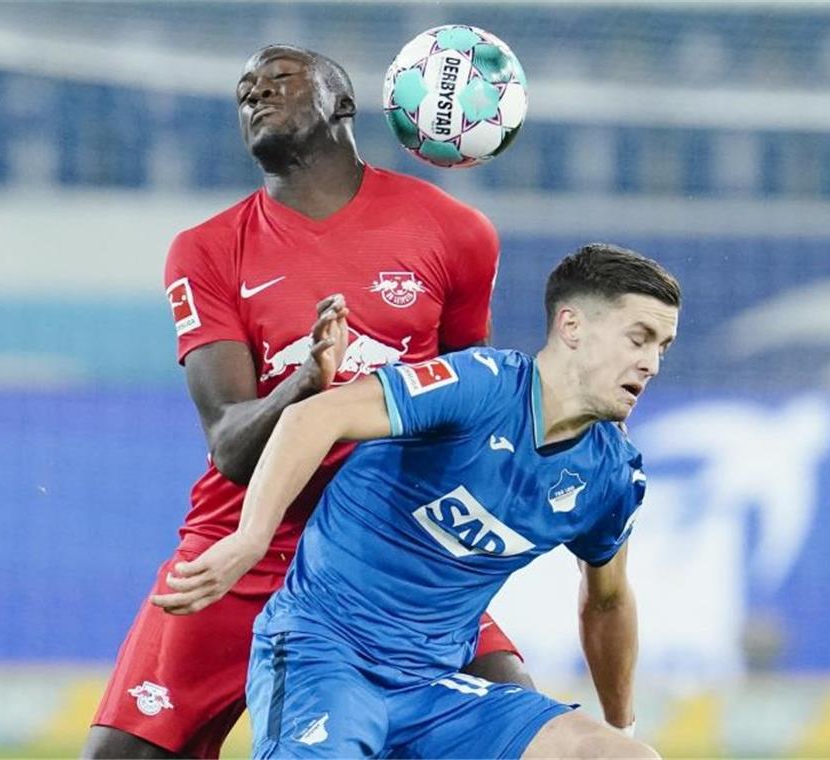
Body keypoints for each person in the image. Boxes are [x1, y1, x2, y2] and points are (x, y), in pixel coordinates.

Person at [84, 44, 531, 759]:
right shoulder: (206, 250)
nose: (255, 93)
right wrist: (305, 385)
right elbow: (228, 445)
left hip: (389, 551)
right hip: (243, 544)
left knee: (520, 719)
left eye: (280, 79)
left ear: (343, 104)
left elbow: (464, 404)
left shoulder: (457, 234)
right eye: (244, 90)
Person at [153, 243, 680, 758]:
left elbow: (608, 599)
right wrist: (250, 538)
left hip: (434, 689)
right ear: (571, 327)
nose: (652, 363)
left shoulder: (612, 474)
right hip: (324, 656)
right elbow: (315, 415)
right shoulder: (482, 385)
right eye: (639, 338)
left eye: (663, 347)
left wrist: (621, 724)